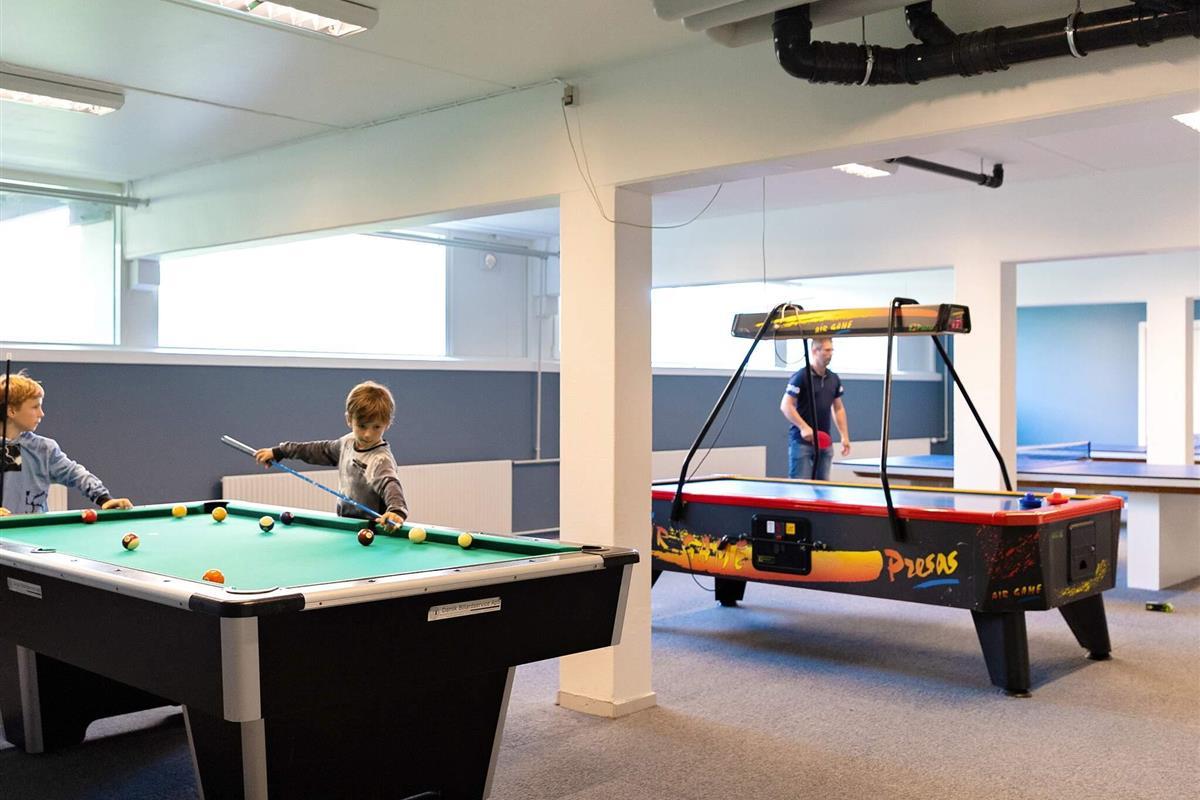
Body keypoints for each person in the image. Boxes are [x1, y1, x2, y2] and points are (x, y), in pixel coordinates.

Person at [255, 380, 408, 529]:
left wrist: (396, 510)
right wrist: (280, 451)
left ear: (387, 424)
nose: (368, 434)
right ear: (349, 420)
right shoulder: (347, 443)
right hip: (345, 525)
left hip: (373, 531)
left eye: (376, 427)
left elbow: (389, 484)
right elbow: (317, 450)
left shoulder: (380, 459)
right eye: (362, 426)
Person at [0, 372, 133, 516]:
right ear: (11, 411)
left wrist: (104, 498)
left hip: (35, 528)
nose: (41, 413)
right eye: (35, 407)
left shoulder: (44, 449)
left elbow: (75, 473)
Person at [780, 337, 851, 481]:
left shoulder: (833, 379)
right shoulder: (801, 377)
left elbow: (838, 408)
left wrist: (844, 436)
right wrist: (804, 427)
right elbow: (786, 405)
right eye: (826, 350)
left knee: (823, 488)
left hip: (824, 444)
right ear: (814, 351)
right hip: (801, 443)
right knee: (801, 488)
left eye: (831, 350)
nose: (830, 354)